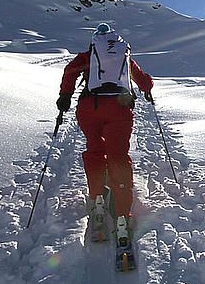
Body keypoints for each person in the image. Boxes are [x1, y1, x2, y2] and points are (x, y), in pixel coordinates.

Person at [56, 23, 154, 227]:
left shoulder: (87, 55)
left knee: (95, 150)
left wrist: (65, 96)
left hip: (89, 107)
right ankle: (122, 216)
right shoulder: (123, 56)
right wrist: (147, 87)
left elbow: (70, 71)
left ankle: (97, 198)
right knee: (118, 156)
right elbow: (143, 80)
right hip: (119, 107)